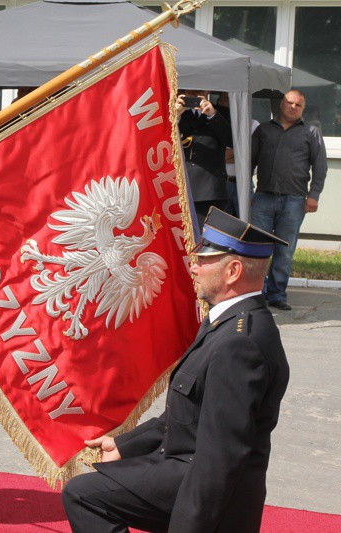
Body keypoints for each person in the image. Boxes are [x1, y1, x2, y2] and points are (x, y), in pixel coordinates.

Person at [62, 207, 290, 533]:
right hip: (181, 465)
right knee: (87, 490)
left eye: (205, 259)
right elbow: (186, 415)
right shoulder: (225, 322)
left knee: (84, 495)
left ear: (233, 270)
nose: (194, 266)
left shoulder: (241, 343)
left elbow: (220, 458)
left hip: (205, 487)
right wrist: (126, 445)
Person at [251, 89, 327, 311]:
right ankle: (256, 293)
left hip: (294, 200)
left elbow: (320, 166)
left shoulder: (310, 132)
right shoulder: (264, 130)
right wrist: (247, 190)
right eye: (290, 102)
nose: (293, 107)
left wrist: (314, 195)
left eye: (298, 105)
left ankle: (277, 295)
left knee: (285, 250)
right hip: (263, 198)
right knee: (258, 248)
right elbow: (250, 161)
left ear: (303, 108)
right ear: (281, 104)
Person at [176, 90, 233, 229]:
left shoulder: (221, 113)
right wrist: (175, 117)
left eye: (198, 93)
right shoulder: (176, 113)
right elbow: (162, 141)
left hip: (210, 188)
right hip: (181, 186)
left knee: (206, 239)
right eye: (190, 93)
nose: (194, 96)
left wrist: (212, 115)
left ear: (208, 91)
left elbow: (231, 141)